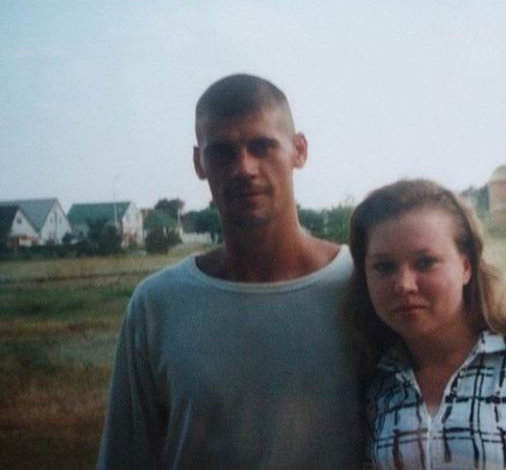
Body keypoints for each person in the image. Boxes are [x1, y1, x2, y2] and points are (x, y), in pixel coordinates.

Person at [97, 74, 363, 469]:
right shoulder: (158, 304)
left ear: (299, 150)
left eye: (262, 146)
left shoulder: (363, 286)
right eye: (222, 152)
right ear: (198, 163)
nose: (244, 168)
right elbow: (126, 456)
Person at [348, 178, 506, 470]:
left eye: (425, 262)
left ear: (466, 266)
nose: (404, 284)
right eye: (384, 267)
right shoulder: (375, 380)